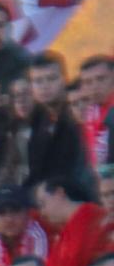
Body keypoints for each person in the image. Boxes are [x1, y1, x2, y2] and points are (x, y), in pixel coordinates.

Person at [24, 53, 89, 195]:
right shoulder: (37, 118)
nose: (45, 86)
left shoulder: (78, 115)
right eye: (38, 81)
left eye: (51, 79)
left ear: (64, 79)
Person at [35, 176, 110, 266]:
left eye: (43, 204)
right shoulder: (65, 230)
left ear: (59, 193)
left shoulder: (91, 216)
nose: (42, 213)